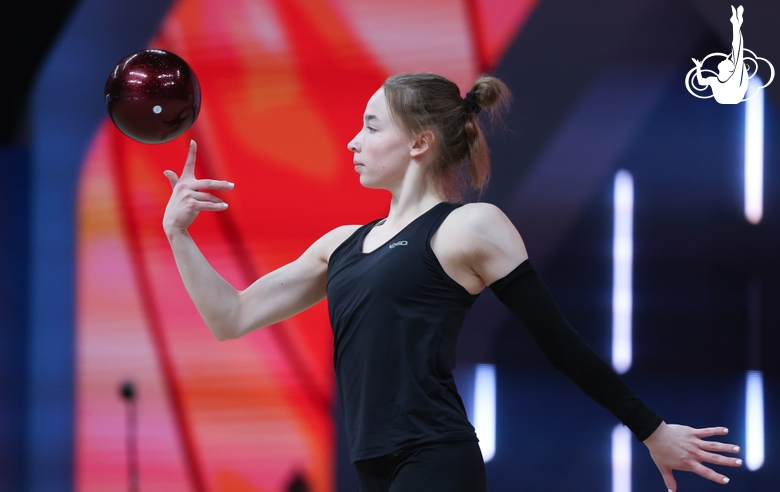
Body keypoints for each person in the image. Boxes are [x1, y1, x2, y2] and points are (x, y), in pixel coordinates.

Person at [162, 72, 742, 492]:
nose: (352, 141)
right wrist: (179, 235)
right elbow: (230, 317)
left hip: (435, 457)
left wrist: (651, 429)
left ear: (420, 143)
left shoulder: (470, 226)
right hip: (372, 465)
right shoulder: (339, 245)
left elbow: (559, 343)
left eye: (369, 126)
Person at [692, 5, 748, 104]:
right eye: (726, 60)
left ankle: (736, 23)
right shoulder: (714, 80)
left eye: (726, 61)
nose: (725, 59)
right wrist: (698, 67)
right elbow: (701, 82)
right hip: (727, 98)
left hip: (733, 97)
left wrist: (736, 26)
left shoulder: (734, 77)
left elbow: (737, 48)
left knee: (737, 51)